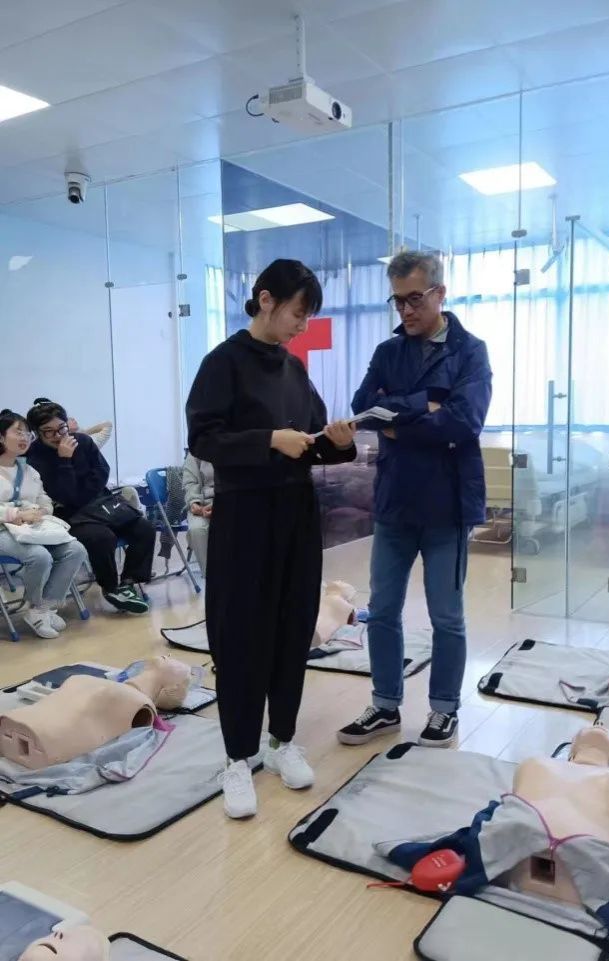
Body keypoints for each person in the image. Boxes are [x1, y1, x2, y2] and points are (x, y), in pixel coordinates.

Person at [187, 258, 357, 820]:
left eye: (308, 317)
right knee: (241, 634)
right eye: (298, 313)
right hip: (244, 515)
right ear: (266, 300)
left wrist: (338, 441)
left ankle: (282, 739)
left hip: (296, 513)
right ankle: (238, 757)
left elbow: (311, 441)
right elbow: (203, 438)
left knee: (292, 625)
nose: (302, 325)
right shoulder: (223, 363)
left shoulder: (294, 369)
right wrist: (267, 440)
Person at [338, 251, 492, 749]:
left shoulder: (471, 352)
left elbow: (463, 422)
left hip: (447, 504)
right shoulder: (388, 352)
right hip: (395, 501)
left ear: (439, 294)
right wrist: (424, 404)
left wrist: (398, 420)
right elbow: (363, 407)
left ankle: (444, 709)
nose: (405, 310)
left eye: (415, 299)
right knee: (382, 609)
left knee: (446, 615)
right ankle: (385, 705)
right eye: (398, 300)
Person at [26, 398, 156, 615]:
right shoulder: (35, 456)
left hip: (101, 504)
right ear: (37, 433)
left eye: (62, 428)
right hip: (70, 514)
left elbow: (102, 472)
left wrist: (81, 494)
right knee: (102, 537)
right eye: (49, 432)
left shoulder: (83, 442)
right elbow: (63, 495)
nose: (58, 436)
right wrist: (64, 461)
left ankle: (129, 582)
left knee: (144, 529)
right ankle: (111, 587)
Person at [0, 409, 87, 638]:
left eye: (27, 433)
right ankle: (36, 606)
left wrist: (42, 510)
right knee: (39, 556)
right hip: (2, 530)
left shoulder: (28, 470)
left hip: (29, 529)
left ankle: (42, 609)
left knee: (76, 549)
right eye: (18, 432)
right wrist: (15, 513)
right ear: (1, 437)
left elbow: (43, 497)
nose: (24, 438)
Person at [181, 452, 213, 576]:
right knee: (197, 529)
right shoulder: (196, 451)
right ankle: (209, 577)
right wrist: (195, 504)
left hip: (233, 500)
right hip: (203, 502)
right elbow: (190, 483)